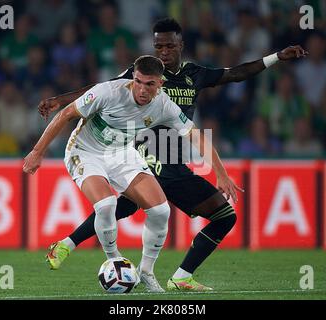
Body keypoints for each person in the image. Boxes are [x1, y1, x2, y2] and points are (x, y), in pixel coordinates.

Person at [39, 18, 307, 291]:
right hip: (147, 149)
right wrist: (62, 101)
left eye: (169, 46)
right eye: (158, 46)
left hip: (174, 153)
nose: (163, 51)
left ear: (181, 45)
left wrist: (277, 57)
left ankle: (68, 246)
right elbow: (102, 90)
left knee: (130, 206)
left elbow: (236, 73)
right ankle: (171, 274)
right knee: (132, 205)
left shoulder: (195, 74)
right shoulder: (142, 72)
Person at [24, 55, 230, 293]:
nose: (142, 89)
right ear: (134, 77)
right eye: (139, 82)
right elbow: (65, 114)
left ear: (160, 84)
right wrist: (37, 152)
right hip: (85, 152)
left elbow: (196, 136)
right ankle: (115, 261)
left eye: (149, 84)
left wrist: (221, 173)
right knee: (106, 205)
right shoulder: (108, 92)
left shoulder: (164, 105)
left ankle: (146, 272)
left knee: (161, 211)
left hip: (121, 154)